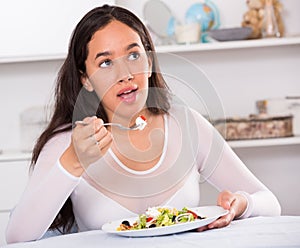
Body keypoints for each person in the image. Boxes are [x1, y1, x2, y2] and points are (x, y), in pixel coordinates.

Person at [5, 5, 281, 243]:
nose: (125, 74)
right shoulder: (69, 143)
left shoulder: (186, 126)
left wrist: (242, 204)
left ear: (149, 61)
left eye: (134, 55)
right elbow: (17, 236)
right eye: (105, 63)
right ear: (85, 79)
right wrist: (73, 162)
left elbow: (270, 203)